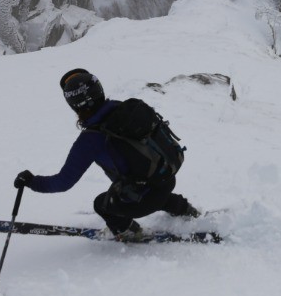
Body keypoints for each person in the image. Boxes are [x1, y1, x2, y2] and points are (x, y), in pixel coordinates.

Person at [14, 69, 199, 241]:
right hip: (165, 176)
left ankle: (129, 232)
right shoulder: (124, 110)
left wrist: (31, 181)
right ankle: (185, 209)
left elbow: (63, 182)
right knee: (145, 188)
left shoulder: (90, 140)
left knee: (101, 204)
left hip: (145, 196)